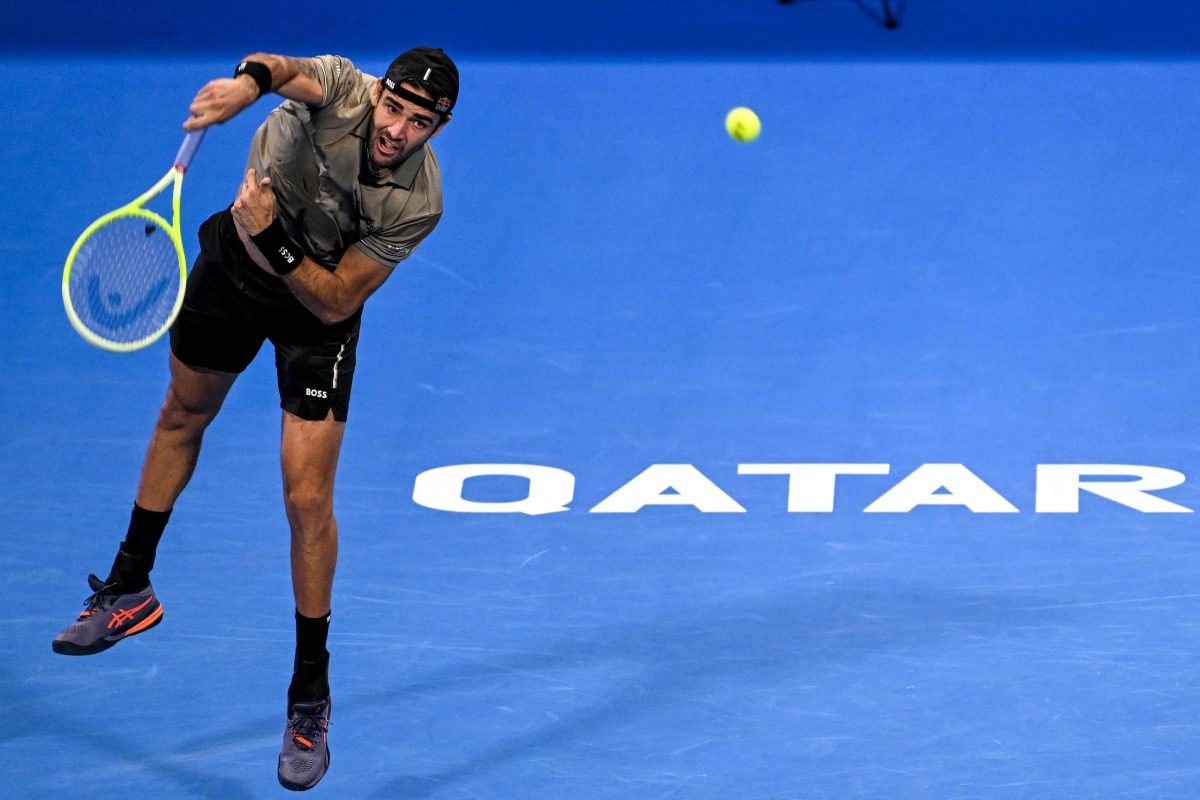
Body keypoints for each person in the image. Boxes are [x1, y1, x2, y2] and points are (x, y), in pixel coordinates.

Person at [52, 46, 458, 791]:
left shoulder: (419, 201)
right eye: (394, 108)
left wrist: (273, 235)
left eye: (419, 122)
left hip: (316, 312)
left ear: (439, 127)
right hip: (234, 272)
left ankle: (309, 697)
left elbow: (336, 300)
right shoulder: (340, 87)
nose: (398, 129)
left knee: (308, 501)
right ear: (381, 94)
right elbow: (282, 70)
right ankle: (128, 588)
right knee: (182, 412)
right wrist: (243, 87)